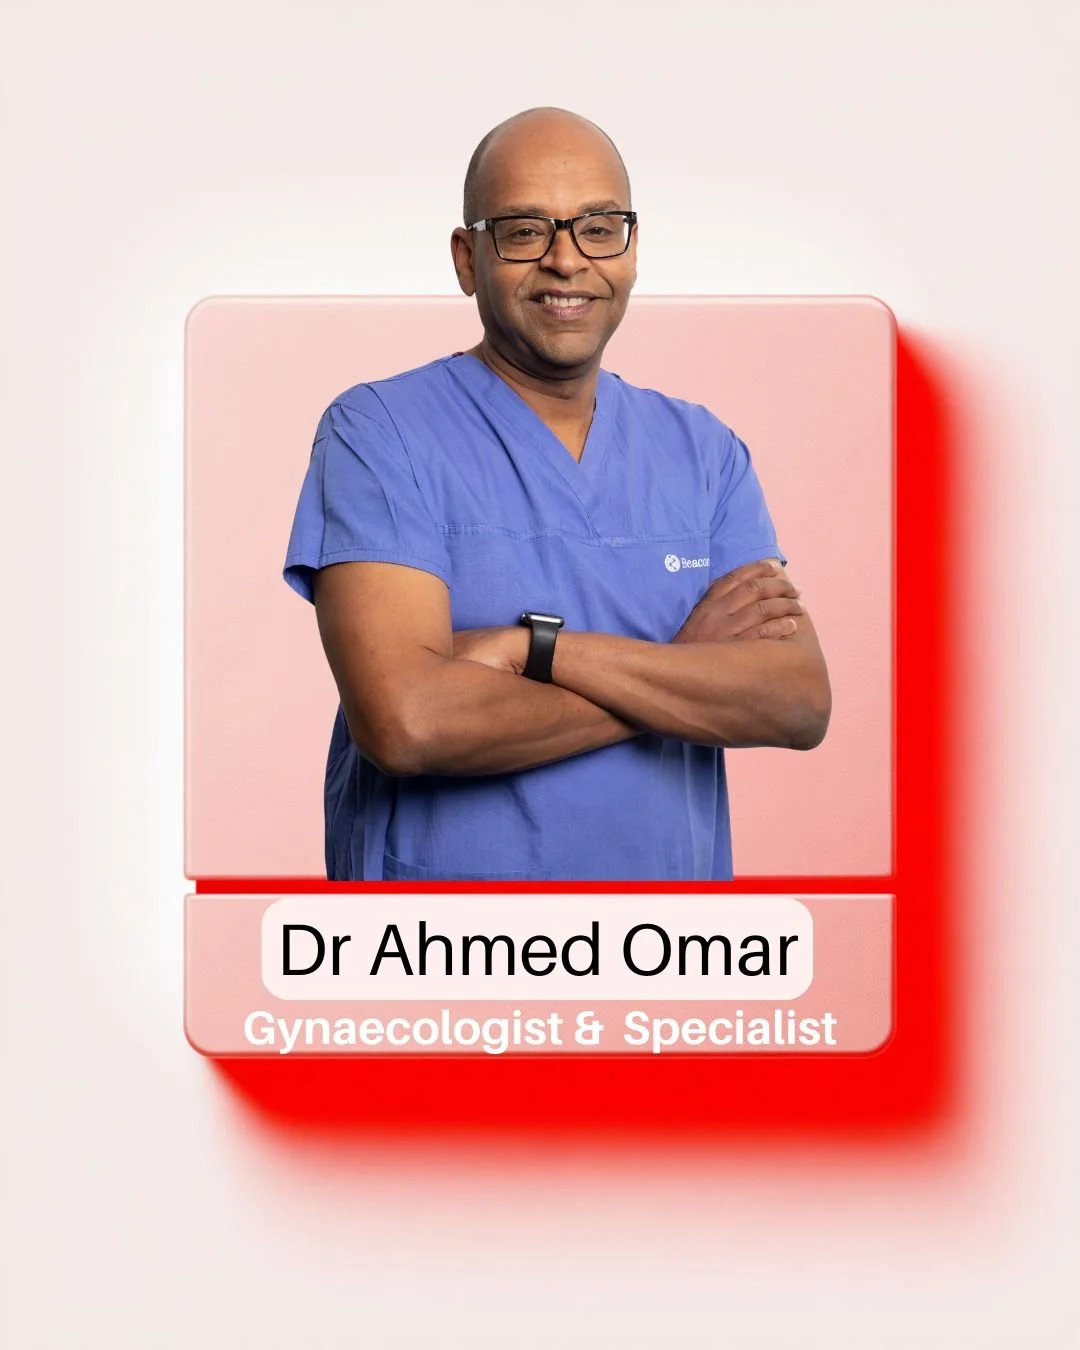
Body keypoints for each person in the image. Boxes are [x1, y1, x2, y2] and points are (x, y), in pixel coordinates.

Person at [283, 107, 831, 882]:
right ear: (467, 258)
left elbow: (796, 701)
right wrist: (681, 674)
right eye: (524, 230)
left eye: (599, 228)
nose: (567, 261)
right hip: (439, 960)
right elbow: (407, 721)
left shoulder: (703, 451)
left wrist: (532, 649)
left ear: (633, 250)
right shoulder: (381, 434)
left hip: (669, 962)